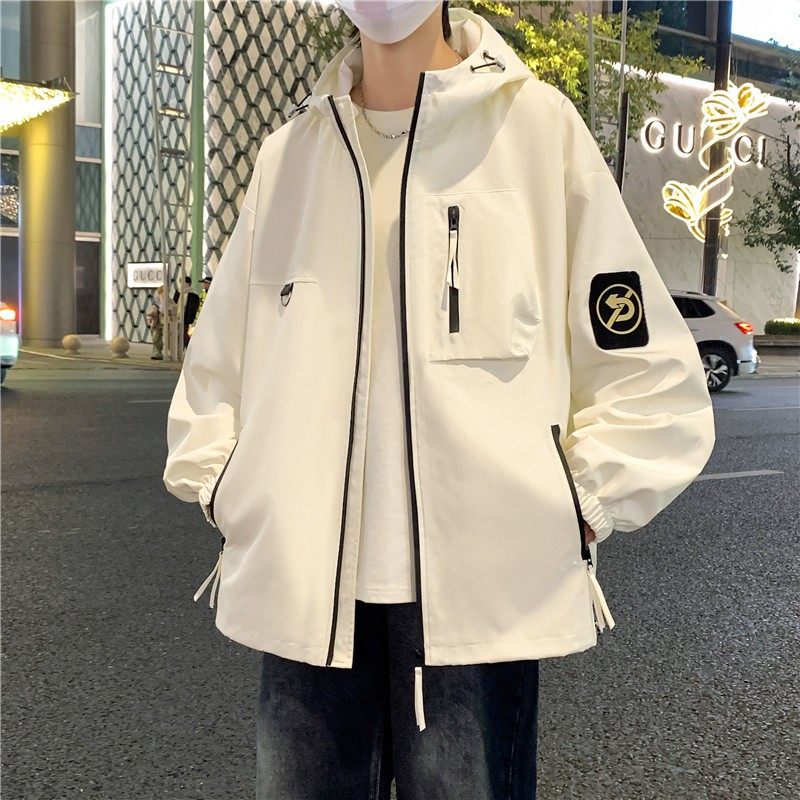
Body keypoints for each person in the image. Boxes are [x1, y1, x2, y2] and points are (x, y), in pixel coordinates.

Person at [163, 3, 716, 798]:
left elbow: (648, 372)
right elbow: (217, 369)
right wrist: (230, 488)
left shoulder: (535, 132)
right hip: (304, 601)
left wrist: (580, 501)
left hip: (479, 612)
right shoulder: (290, 157)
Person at [172, 276, 200, 348]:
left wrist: (190, 319)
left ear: (188, 283)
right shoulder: (178, 292)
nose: (181, 284)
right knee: (176, 334)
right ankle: (180, 348)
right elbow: (174, 303)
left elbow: (193, 308)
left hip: (185, 317)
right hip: (176, 316)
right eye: (180, 282)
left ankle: (190, 347)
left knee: (184, 334)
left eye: (183, 282)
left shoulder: (193, 294)